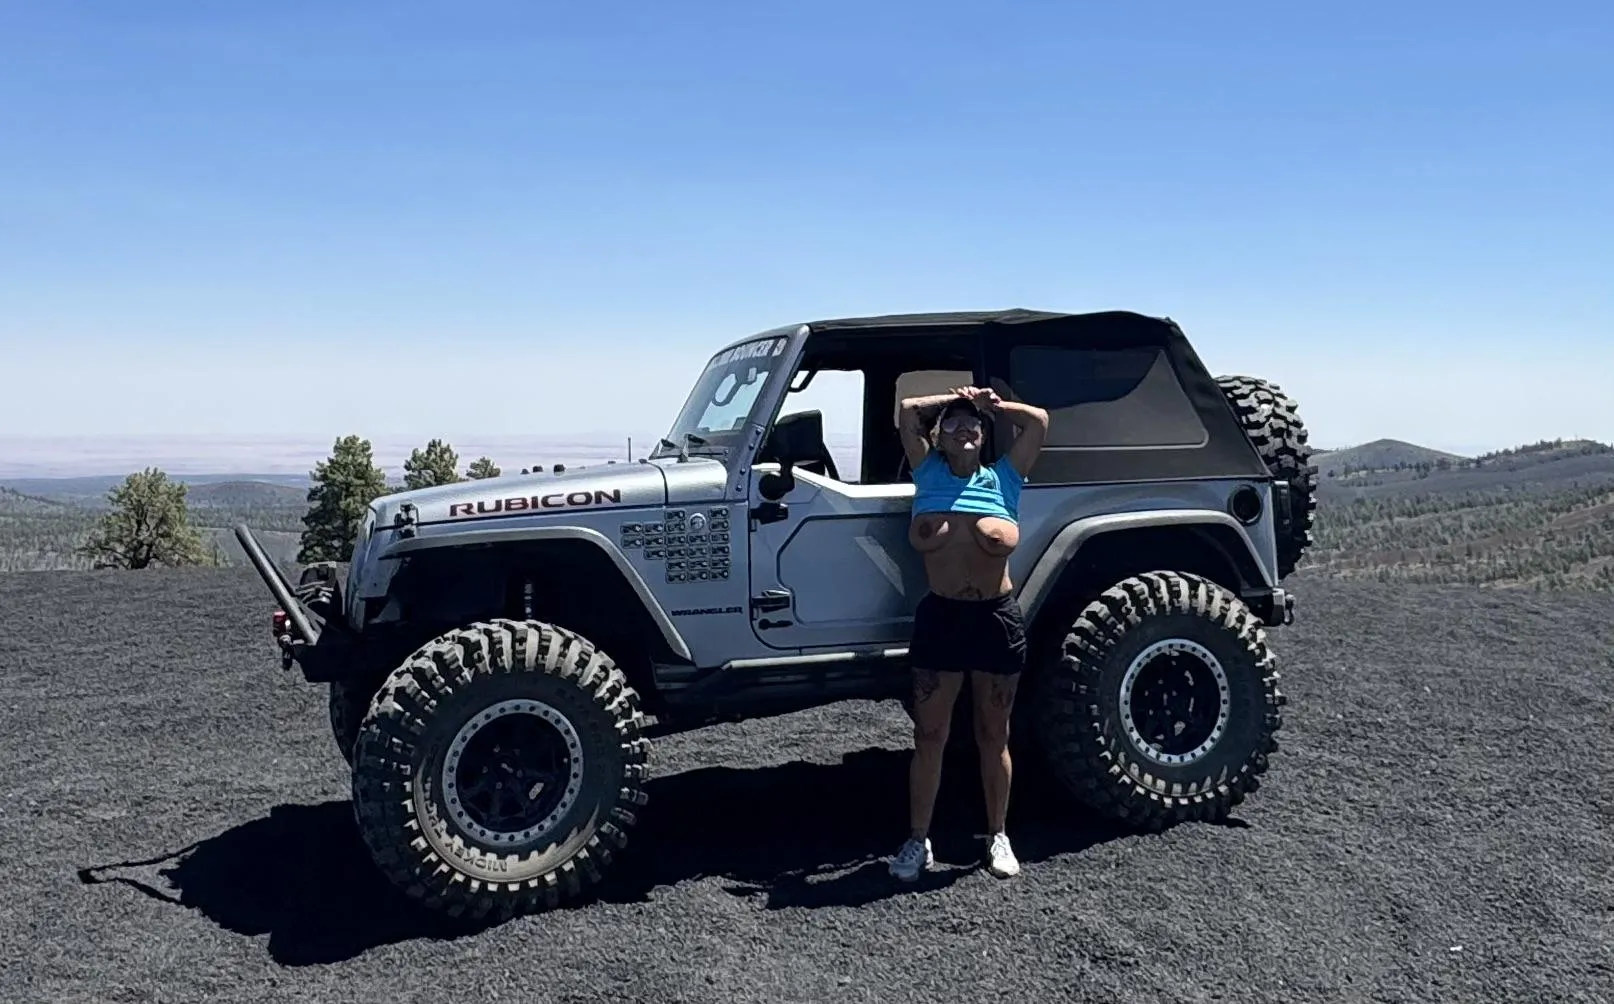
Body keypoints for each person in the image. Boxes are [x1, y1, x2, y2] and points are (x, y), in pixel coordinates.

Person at [888, 384, 1049, 882]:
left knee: (991, 734)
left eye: (973, 424)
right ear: (938, 436)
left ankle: (998, 835)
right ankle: (918, 841)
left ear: (984, 434)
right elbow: (907, 411)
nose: (965, 428)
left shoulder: (1005, 477)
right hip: (942, 619)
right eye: (954, 423)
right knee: (929, 734)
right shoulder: (927, 471)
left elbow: (1039, 421)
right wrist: (950, 399)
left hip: (995, 620)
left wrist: (992, 405)